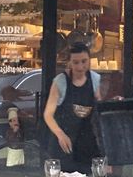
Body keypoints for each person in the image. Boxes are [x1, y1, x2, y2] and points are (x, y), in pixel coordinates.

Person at [44, 43, 101, 174]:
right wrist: (60, 134)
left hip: (86, 143)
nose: (80, 67)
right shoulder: (60, 82)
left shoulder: (95, 79)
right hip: (63, 144)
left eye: (84, 61)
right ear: (69, 62)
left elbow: (98, 107)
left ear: (89, 60)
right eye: (75, 62)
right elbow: (48, 114)